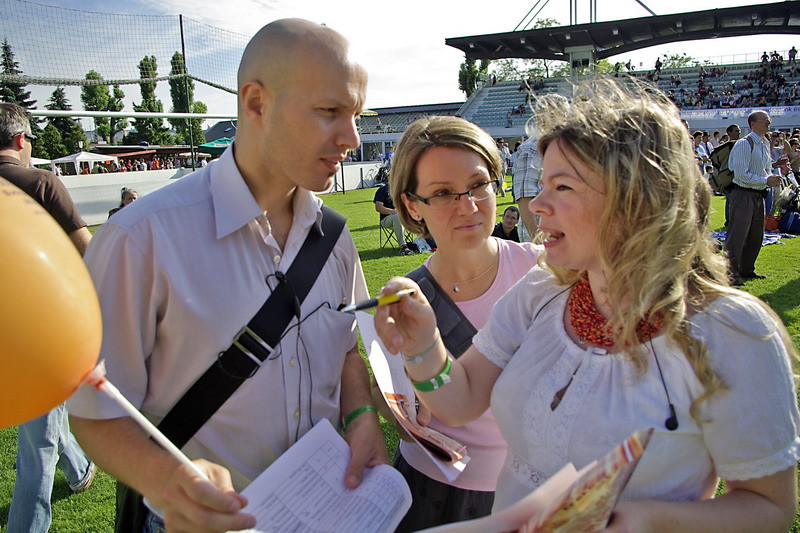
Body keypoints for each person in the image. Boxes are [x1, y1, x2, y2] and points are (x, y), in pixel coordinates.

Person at [374, 79, 799, 532]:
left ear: (632, 200)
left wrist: (641, 521)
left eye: (562, 187)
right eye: (543, 184)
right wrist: (422, 346)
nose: (537, 205)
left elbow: (769, 507)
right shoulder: (543, 290)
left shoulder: (733, 332)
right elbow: (459, 401)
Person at [67, 19, 387, 533]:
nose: (351, 137)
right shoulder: (141, 239)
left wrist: (360, 417)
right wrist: (167, 480)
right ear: (256, 103)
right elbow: (94, 408)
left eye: (356, 114)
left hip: (328, 509)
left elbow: (348, 350)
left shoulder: (335, 236)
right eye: (329, 111)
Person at [383, 115, 541, 531]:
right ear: (412, 205)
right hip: (428, 487)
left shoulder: (544, 274)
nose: (468, 206)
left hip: (523, 492)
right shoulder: (403, 297)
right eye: (443, 193)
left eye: (477, 186)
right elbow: (395, 397)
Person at [0, 102, 95, 533]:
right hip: (38, 336)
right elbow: (88, 251)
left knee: (41, 423)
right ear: (21, 140)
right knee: (36, 444)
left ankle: (79, 469)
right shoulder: (42, 183)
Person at [726, 111, 785, 285]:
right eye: (765, 120)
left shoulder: (763, 144)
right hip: (743, 194)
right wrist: (766, 180)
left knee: (755, 235)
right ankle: (729, 273)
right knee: (737, 235)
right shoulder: (744, 144)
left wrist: (771, 173)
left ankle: (746, 269)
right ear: (753, 123)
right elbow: (741, 174)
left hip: (759, 195)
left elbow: (761, 170)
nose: (769, 123)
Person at [512, 94, 568, 242]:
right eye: (561, 115)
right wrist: (538, 239)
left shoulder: (557, 147)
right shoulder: (531, 149)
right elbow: (524, 198)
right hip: (538, 236)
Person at [374, 181, 413, 255]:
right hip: (386, 219)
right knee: (398, 217)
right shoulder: (382, 190)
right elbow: (378, 207)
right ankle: (403, 246)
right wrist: (392, 211)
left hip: (402, 219)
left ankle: (424, 243)